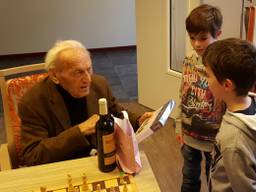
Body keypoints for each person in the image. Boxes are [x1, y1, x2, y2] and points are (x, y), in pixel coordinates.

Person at [19, 40, 152, 166]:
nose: (88, 79)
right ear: (54, 76)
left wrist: (140, 120)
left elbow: (116, 112)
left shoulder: (99, 84)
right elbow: (33, 156)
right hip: (62, 165)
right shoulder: (33, 102)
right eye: (78, 72)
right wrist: (80, 131)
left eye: (89, 69)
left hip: (98, 159)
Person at [175, 4, 226, 192]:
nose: (197, 44)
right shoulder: (189, 61)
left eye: (203, 38)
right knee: (189, 180)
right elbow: (183, 94)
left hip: (215, 139)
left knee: (214, 181)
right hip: (189, 136)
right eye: (192, 38)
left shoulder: (224, 66)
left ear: (218, 34)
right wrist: (178, 124)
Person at [202, 38, 256, 191]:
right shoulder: (249, 103)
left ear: (227, 85)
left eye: (208, 75)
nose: (206, 81)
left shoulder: (233, 141)